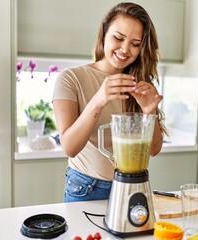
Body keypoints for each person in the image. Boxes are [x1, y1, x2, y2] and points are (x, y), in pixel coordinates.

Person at [52, 2, 167, 202]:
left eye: (135, 43)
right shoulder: (71, 78)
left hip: (132, 186)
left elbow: (154, 149)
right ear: (104, 33)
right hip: (86, 188)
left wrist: (150, 111)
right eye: (118, 38)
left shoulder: (139, 85)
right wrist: (98, 100)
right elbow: (69, 146)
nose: (125, 49)